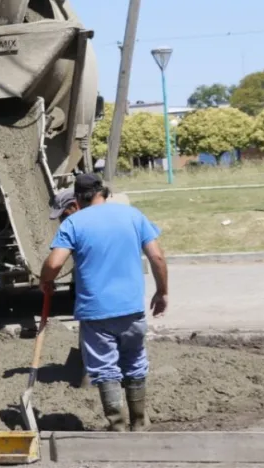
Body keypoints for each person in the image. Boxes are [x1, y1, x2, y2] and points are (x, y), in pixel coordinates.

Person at [40, 174, 169, 433]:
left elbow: (54, 263)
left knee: (104, 368)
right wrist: (162, 292)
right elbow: (157, 257)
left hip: (96, 311)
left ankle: (118, 426)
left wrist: (46, 281)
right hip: (131, 308)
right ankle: (139, 423)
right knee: (135, 361)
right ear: (104, 192)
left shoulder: (73, 223)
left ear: (77, 198)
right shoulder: (132, 216)